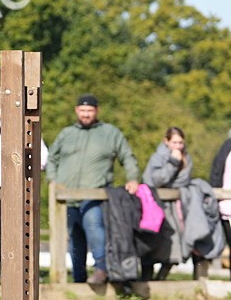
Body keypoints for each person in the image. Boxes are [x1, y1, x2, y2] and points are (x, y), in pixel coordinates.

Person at [46, 94, 139, 285]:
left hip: (95, 195)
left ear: (96, 111)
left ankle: (101, 269)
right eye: (82, 110)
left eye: (90, 110)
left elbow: (127, 156)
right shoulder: (66, 134)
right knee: (74, 239)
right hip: (67, 198)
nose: (86, 114)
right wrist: (53, 181)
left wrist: (132, 178)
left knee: (94, 228)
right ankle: (79, 279)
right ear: (76, 110)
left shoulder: (110, 133)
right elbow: (52, 159)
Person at [142, 127, 224, 280]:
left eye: (180, 143)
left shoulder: (187, 157)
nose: (178, 146)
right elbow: (156, 180)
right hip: (160, 208)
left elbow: (183, 180)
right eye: (174, 142)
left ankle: (160, 279)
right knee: (156, 245)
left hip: (180, 208)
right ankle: (146, 281)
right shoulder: (158, 158)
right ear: (166, 141)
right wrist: (173, 162)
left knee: (178, 245)